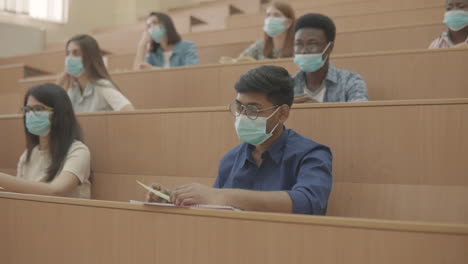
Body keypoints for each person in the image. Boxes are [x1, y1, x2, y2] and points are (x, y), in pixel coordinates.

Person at [146, 65, 333, 215]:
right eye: (239, 108)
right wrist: (175, 199)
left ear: (282, 113)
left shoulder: (311, 154)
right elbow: (215, 209)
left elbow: (308, 202)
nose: (242, 116)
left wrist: (221, 196)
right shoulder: (230, 160)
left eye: (253, 110)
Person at [0, 83, 91, 199]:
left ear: (59, 113)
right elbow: (20, 197)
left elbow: (56, 191)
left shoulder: (78, 151)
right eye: (27, 109)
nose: (31, 114)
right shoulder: (27, 155)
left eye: (38, 109)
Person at [292, 14, 368, 103]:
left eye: (312, 44)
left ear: (329, 47)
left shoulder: (351, 82)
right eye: (299, 44)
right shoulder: (286, 86)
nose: (304, 51)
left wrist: (319, 111)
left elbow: (359, 114)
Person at [57, 34, 134, 112]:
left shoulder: (103, 87)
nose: (69, 58)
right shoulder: (73, 90)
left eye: (76, 53)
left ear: (90, 58)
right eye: (68, 53)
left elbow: (130, 114)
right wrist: (59, 85)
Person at [134, 12, 199, 70]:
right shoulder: (153, 54)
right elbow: (137, 76)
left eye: (155, 23)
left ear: (167, 24)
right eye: (149, 26)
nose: (152, 28)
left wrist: (153, 69)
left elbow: (190, 72)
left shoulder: (187, 46)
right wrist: (142, 45)